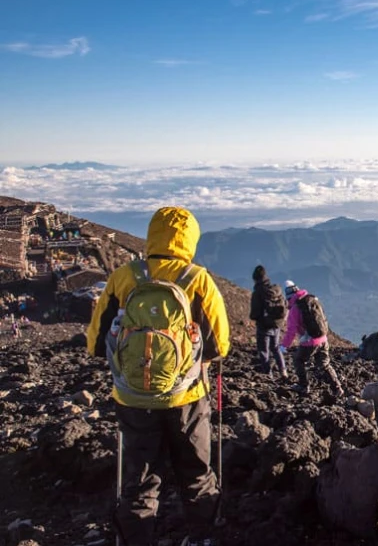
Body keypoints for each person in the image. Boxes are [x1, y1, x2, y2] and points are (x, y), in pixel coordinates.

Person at [86, 207, 230, 546]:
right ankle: (201, 538)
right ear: (190, 239)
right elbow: (219, 345)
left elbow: (95, 342)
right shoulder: (197, 279)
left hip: (132, 398)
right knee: (196, 473)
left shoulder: (124, 277)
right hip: (187, 397)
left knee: (138, 480)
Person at [280, 281, 342, 396]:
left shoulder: (295, 309)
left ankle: (303, 386)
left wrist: (284, 346)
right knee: (324, 364)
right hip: (323, 338)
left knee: (299, 360)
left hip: (310, 342)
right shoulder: (313, 301)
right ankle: (337, 388)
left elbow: (291, 331)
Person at [248, 265, 288, 378]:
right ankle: (283, 370)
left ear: (255, 279)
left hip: (263, 326)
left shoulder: (258, 293)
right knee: (275, 348)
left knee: (263, 351)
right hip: (276, 325)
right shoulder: (275, 290)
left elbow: (255, 313)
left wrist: (255, 318)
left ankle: (268, 374)